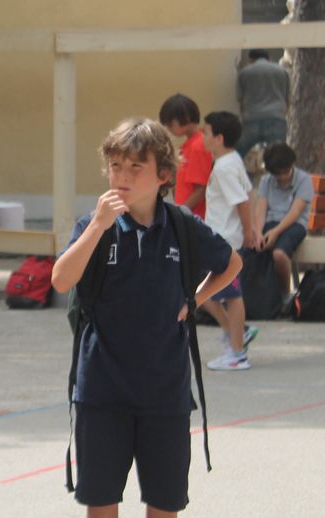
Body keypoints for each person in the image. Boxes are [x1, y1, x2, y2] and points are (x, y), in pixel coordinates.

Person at [52, 118, 240, 518]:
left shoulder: (182, 226)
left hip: (165, 395)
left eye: (136, 167)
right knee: (101, 503)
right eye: (115, 166)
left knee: (165, 504)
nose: (122, 176)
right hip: (102, 392)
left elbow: (231, 263)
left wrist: (195, 299)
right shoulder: (93, 225)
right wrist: (98, 226)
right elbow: (61, 279)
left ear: (163, 176)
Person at [201, 111, 258, 371]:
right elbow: (249, 192)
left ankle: (237, 353)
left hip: (226, 240)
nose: (203, 137)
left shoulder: (225, 167)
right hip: (220, 238)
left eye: (206, 132)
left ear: (219, 138)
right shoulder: (232, 159)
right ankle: (235, 333)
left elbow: (242, 201)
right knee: (204, 292)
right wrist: (250, 228)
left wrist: (249, 231)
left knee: (232, 296)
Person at [252, 142, 314, 303]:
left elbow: (295, 212)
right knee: (252, 249)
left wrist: (275, 232)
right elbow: (261, 209)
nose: (282, 177)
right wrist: (258, 233)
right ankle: (257, 298)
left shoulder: (304, 180)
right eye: (277, 174)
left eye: (286, 172)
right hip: (270, 223)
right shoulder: (266, 181)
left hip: (294, 225)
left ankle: (285, 296)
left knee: (279, 254)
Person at [159, 93, 211, 219]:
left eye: (170, 125)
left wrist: (180, 212)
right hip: (187, 213)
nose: (168, 129)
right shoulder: (187, 146)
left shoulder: (198, 146)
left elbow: (201, 189)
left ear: (186, 118)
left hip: (195, 217)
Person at [236, 50, 290, 157]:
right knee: (278, 155)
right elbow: (287, 97)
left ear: (251, 59)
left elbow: (240, 98)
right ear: (268, 58)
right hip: (276, 118)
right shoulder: (281, 71)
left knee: (238, 153)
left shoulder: (245, 72)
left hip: (251, 119)